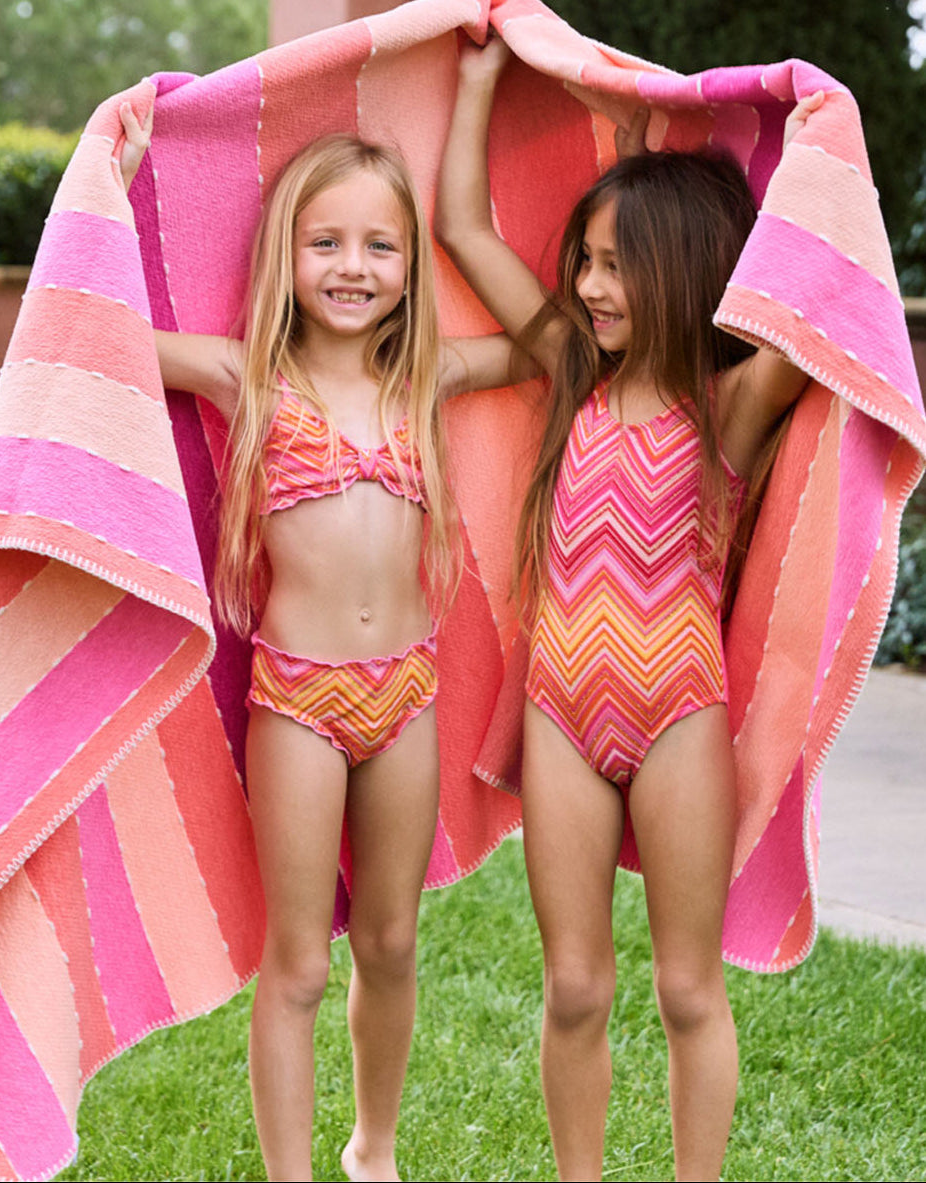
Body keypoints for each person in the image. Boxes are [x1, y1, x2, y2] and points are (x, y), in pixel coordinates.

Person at [434, 39, 823, 1183]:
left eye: (615, 265)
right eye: (586, 260)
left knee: (687, 987)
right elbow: (460, 225)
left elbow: (809, 287)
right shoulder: (567, 369)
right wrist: (469, 84)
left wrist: (810, 129)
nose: (591, 287)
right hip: (560, 710)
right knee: (574, 985)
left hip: (679, 713)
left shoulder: (734, 405)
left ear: (691, 268)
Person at [119, 103, 516, 1183]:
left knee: (389, 943)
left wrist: (471, 111)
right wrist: (115, 173)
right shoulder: (242, 372)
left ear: (410, 266)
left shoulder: (422, 376)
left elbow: (548, 343)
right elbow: (87, 328)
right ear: (284, 254)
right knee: (294, 961)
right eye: (325, 242)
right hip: (296, 702)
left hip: (410, 692)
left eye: (380, 244)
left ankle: (372, 1152)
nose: (352, 266)